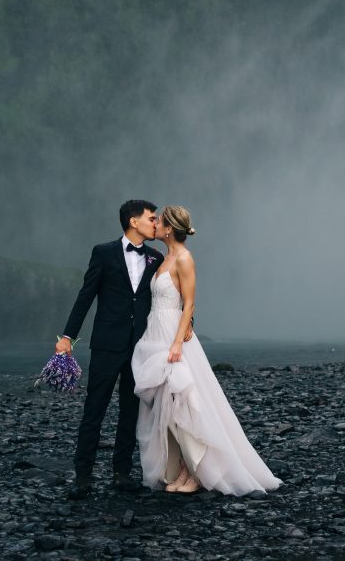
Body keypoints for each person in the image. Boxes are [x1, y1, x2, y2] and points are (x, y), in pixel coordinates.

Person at [131, 206, 281, 495]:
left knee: (183, 403)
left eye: (160, 221)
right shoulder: (164, 259)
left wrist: (177, 342)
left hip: (173, 336)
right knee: (165, 405)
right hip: (156, 331)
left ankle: (194, 472)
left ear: (170, 229)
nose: (156, 225)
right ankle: (181, 469)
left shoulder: (185, 259)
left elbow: (188, 302)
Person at [57, 200, 164, 500]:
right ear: (133, 221)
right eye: (151, 218)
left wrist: (187, 321)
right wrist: (68, 336)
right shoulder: (103, 252)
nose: (156, 223)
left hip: (140, 346)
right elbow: (86, 296)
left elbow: (166, 296)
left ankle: (122, 473)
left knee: (130, 411)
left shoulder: (156, 257)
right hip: (106, 344)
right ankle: (83, 476)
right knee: (95, 409)